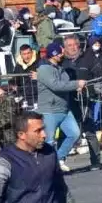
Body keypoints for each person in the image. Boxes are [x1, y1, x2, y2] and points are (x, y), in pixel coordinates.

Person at [36, 41, 86, 172]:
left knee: (74, 134)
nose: (62, 54)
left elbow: (65, 83)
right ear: (53, 54)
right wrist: (76, 84)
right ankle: (47, 167)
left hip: (64, 108)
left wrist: (76, 87)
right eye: (60, 52)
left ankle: (58, 158)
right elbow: (56, 85)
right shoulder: (44, 69)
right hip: (49, 110)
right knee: (49, 141)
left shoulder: (60, 68)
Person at [62, 36, 102, 171]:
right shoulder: (61, 62)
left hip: (85, 99)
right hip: (68, 100)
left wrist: (89, 86)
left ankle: (96, 161)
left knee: (89, 131)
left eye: (75, 45)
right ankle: (59, 161)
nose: (73, 48)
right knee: (65, 132)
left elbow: (99, 73)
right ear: (65, 48)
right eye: (69, 45)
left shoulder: (88, 58)